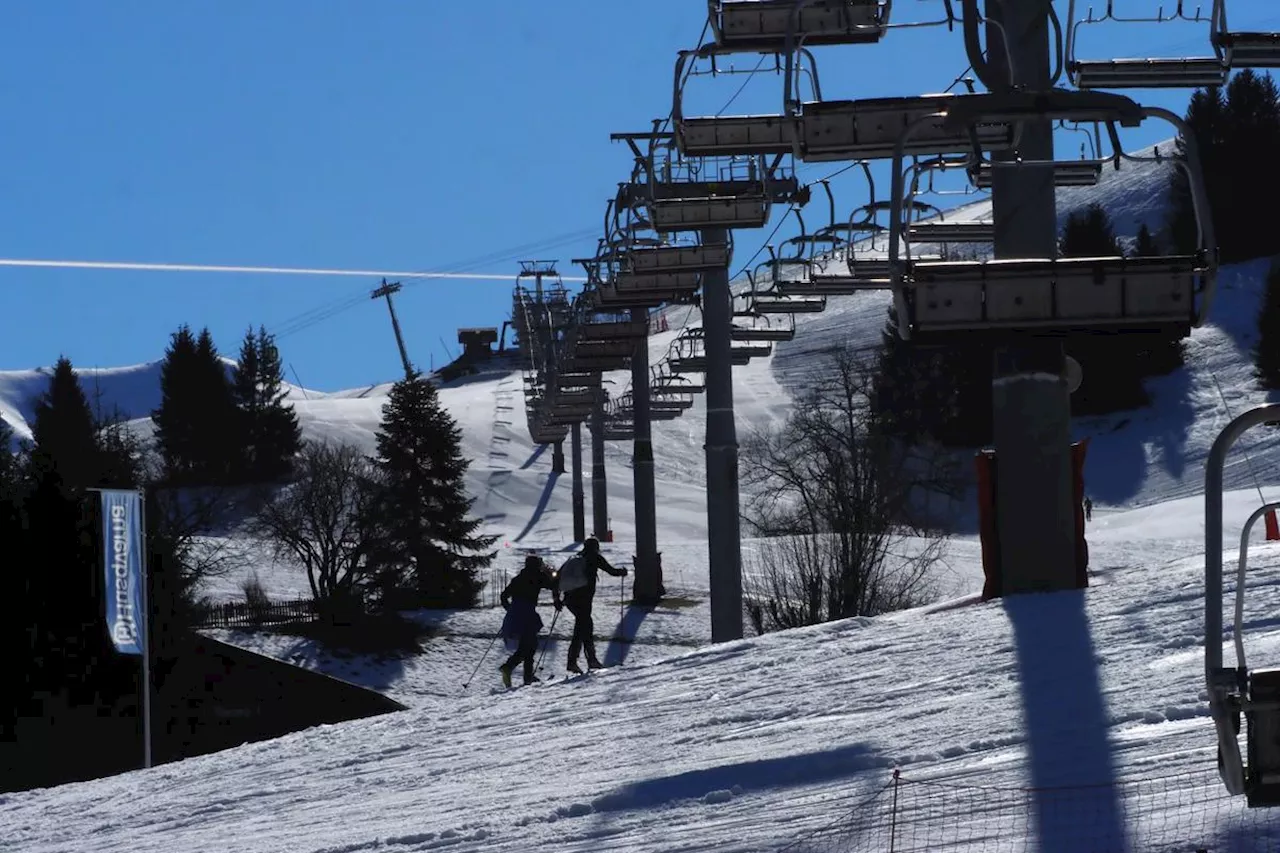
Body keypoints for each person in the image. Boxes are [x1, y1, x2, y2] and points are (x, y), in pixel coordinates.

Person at [557, 536, 627, 674]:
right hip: (584, 599)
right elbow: (611, 571)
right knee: (586, 627)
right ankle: (590, 660)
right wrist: (623, 572)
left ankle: (574, 661)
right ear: (596, 547)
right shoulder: (594, 557)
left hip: (570, 599)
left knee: (581, 628)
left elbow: (558, 576)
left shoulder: (576, 558)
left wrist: (556, 599)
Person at [498, 555, 562, 688]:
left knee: (527, 644)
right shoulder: (537, 576)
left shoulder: (518, 578)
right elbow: (553, 585)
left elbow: (504, 596)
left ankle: (526, 676)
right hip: (528, 613)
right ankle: (509, 668)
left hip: (515, 614)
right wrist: (553, 576)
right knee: (531, 644)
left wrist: (510, 609)